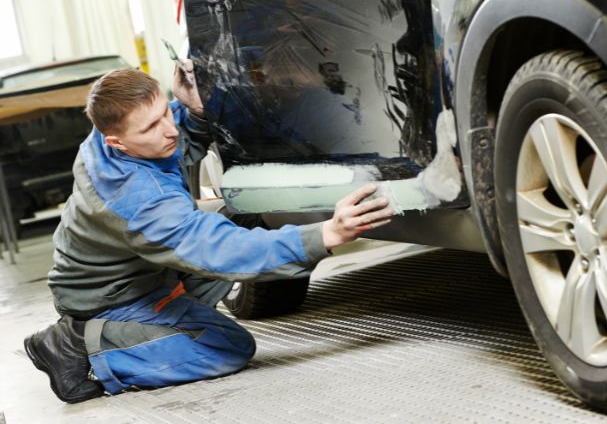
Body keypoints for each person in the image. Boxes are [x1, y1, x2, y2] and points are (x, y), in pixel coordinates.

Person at [23, 62, 394, 403]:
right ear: (116, 142)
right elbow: (219, 249)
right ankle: (77, 346)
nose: (168, 129)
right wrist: (325, 235)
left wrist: (193, 112)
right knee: (227, 345)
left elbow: (171, 145)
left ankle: (142, 321)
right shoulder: (139, 201)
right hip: (109, 297)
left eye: (165, 112)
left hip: (138, 271)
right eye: (151, 127)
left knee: (243, 220)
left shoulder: (110, 137)